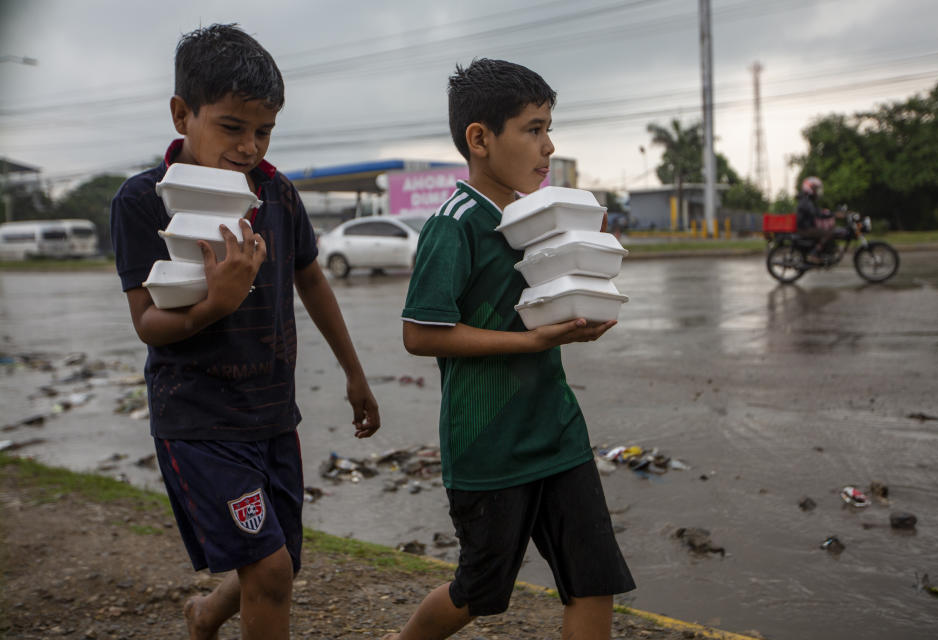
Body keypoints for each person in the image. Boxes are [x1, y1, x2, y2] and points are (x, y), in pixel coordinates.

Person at [109, 24, 381, 640]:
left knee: (280, 557)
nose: (249, 146)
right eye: (232, 127)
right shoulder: (143, 201)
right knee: (270, 567)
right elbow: (147, 323)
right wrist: (216, 304)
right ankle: (214, 610)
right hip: (198, 419)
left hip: (272, 413)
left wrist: (355, 373)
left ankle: (205, 614)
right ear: (183, 114)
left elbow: (312, 280)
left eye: (263, 131)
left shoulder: (277, 195)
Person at [391, 58, 635, 640]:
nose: (548, 146)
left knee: (592, 580)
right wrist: (530, 340)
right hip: (489, 445)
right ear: (480, 139)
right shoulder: (455, 224)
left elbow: (555, 307)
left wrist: (593, 270)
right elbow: (419, 333)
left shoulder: (541, 221)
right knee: (479, 591)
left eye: (549, 128)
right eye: (533, 129)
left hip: (558, 432)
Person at [795, 176, 836, 262]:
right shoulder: (806, 201)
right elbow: (816, 213)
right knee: (828, 233)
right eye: (815, 189)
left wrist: (828, 213)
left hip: (805, 227)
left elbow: (816, 211)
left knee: (824, 231)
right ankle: (813, 254)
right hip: (805, 229)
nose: (817, 191)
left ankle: (823, 253)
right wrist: (831, 214)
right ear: (809, 188)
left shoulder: (807, 200)